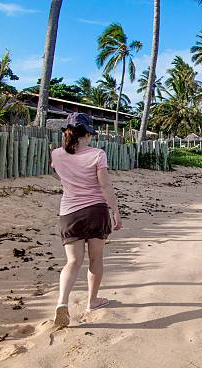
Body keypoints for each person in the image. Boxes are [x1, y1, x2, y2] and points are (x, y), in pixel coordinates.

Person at [50, 113, 122, 327]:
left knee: (72, 261)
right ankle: (92, 301)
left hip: (70, 212)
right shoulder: (98, 154)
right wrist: (115, 209)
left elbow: (58, 174)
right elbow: (105, 186)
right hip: (95, 211)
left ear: (68, 132)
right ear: (88, 133)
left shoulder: (56, 154)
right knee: (95, 259)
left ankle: (62, 302)